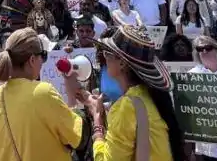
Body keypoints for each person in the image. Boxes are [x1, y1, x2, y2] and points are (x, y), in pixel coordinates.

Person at [0, 27, 90, 161]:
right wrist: (84, 104)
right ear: (32, 60)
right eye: (43, 55)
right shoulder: (43, 93)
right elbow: (79, 138)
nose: (43, 61)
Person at [79, 25, 185, 161]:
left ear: (122, 63)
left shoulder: (127, 107)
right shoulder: (149, 94)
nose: (104, 59)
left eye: (107, 53)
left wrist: (98, 121)